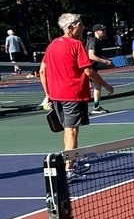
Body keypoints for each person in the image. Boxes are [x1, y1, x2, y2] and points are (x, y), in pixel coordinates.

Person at [39, 13, 115, 181]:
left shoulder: (52, 45)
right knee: (72, 132)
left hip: (57, 96)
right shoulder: (76, 45)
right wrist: (106, 85)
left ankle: (70, 163)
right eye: (80, 24)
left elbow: (42, 70)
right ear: (71, 27)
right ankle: (68, 170)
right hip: (73, 95)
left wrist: (48, 94)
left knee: (68, 130)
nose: (83, 27)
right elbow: (88, 71)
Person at [84, 24, 113, 114]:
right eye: (102, 30)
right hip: (87, 68)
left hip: (93, 67)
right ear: (96, 31)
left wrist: (106, 59)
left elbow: (97, 55)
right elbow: (91, 55)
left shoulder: (99, 42)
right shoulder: (93, 41)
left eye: (104, 30)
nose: (104, 31)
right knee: (86, 88)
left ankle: (96, 107)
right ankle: (82, 110)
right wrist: (104, 62)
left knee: (97, 86)